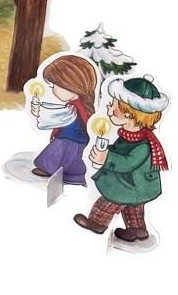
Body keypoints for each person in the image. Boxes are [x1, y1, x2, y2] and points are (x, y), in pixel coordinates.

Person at [74, 75, 169, 242]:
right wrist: (104, 152)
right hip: (132, 185)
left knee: (109, 201)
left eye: (114, 106)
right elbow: (121, 151)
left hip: (131, 185)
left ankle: (96, 223)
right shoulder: (129, 135)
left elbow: (127, 162)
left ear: (131, 114)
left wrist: (106, 157)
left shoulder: (143, 144)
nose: (109, 109)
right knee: (132, 208)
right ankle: (138, 230)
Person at [30, 55, 98, 185]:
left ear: (72, 85)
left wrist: (42, 112)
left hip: (74, 142)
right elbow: (55, 114)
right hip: (63, 139)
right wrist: (40, 110)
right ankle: (54, 169)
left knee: (65, 153)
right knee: (58, 150)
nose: (52, 88)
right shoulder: (72, 106)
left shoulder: (76, 109)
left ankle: (71, 173)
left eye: (55, 85)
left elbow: (56, 117)